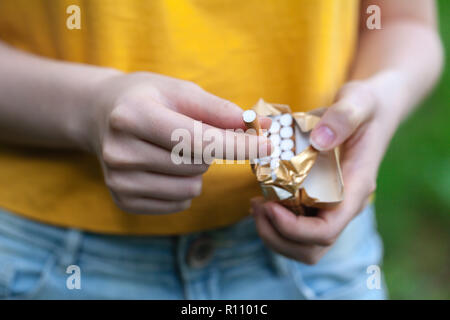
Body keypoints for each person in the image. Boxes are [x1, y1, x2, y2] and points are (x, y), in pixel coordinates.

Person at [0, 0, 443, 299]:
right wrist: (88, 108)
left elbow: (403, 20)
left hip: (318, 262)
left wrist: (382, 100)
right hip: (46, 256)